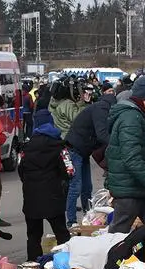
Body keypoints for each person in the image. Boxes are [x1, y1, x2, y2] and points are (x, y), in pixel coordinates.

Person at [106, 75, 145, 233]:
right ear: (143, 97)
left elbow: (143, 158)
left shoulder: (136, 115)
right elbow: (132, 159)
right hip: (129, 190)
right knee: (117, 237)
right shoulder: (131, 118)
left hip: (141, 189)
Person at [20, 109, 72, 261]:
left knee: (33, 235)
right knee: (61, 233)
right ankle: (66, 263)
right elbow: (69, 171)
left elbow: (21, 170)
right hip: (53, 196)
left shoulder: (26, 147)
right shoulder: (59, 145)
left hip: (31, 197)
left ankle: (33, 265)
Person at [64, 83, 115, 224]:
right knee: (75, 186)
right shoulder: (101, 109)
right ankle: (71, 222)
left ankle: (88, 218)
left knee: (87, 187)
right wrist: (118, 144)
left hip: (83, 150)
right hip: (74, 149)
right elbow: (102, 134)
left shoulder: (102, 108)